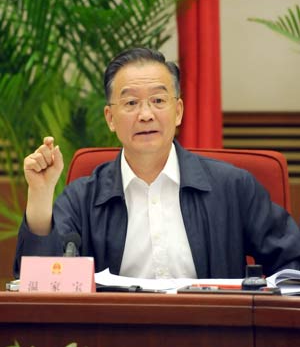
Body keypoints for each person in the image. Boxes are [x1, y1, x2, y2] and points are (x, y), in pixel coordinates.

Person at [14, 47, 300, 279]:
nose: (146, 114)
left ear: (178, 111)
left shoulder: (233, 187)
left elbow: (292, 262)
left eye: (158, 100)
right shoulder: (82, 198)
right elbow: (39, 281)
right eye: (130, 103)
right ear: (110, 118)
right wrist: (41, 193)